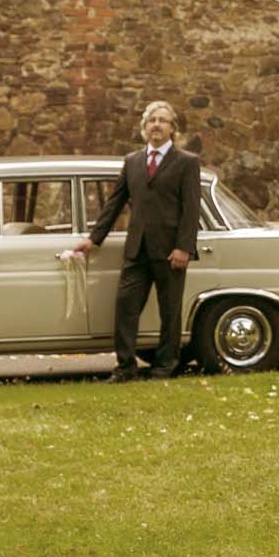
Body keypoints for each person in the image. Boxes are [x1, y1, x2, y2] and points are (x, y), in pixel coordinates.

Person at [74, 100, 201, 381]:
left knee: (170, 312)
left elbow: (191, 209)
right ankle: (125, 367)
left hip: (171, 251)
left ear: (172, 128)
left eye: (162, 120)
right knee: (125, 307)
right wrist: (94, 239)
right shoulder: (132, 161)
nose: (156, 125)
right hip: (137, 250)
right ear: (144, 127)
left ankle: (164, 367)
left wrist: (184, 247)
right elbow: (115, 202)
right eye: (151, 120)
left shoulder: (187, 162)